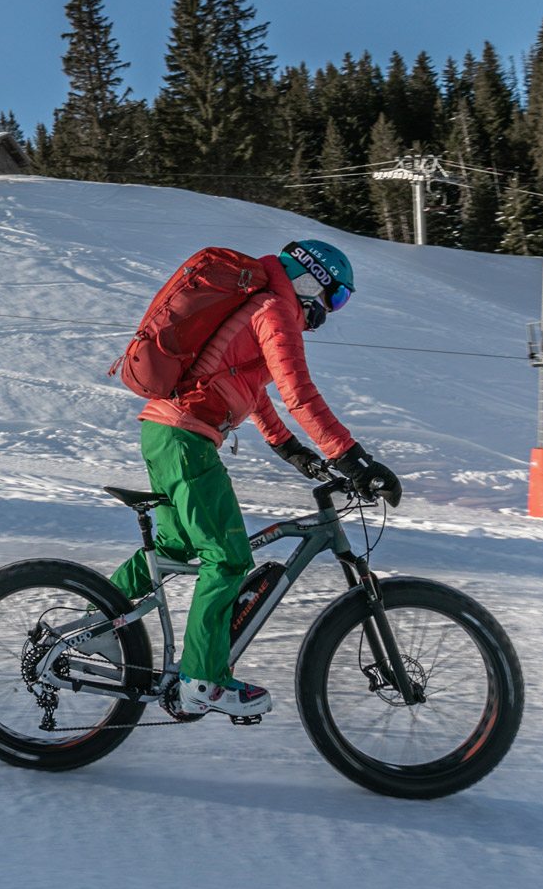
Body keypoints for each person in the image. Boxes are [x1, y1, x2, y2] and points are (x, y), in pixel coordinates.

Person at [107, 239, 402, 719]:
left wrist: (292, 450)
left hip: (168, 433)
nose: (331, 310)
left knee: (176, 550)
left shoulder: (261, 308)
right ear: (312, 280)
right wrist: (353, 459)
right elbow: (299, 392)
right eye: (336, 296)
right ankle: (202, 680)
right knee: (227, 557)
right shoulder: (276, 309)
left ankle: (100, 619)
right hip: (184, 439)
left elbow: (251, 389)